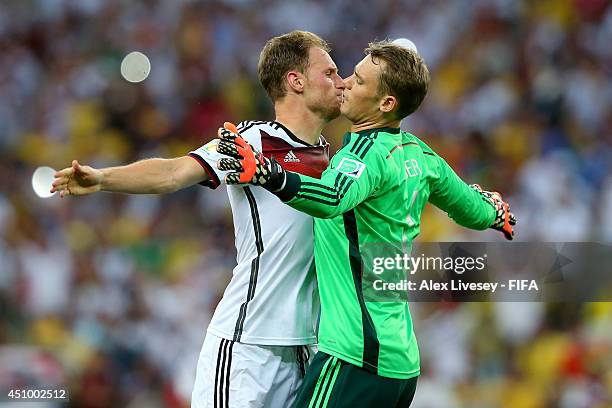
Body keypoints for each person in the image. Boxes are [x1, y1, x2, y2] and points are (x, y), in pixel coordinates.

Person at [51, 30, 344, 408]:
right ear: (296, 80)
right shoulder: (251, 142)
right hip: (245, 345)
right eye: (331, 72)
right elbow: (174, 173)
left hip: (304, 349)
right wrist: (105, 178)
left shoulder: (335, 161)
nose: (342, 82)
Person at [215, 40, 516, 407]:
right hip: (401, 367)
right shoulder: (420, 155)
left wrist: (269, 174)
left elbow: (330, 198)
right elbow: (471, 208)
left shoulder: (362, 154)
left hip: (354, 358)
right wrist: (496, 211)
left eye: (357, 81)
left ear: (386, 104)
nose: (344, 84)